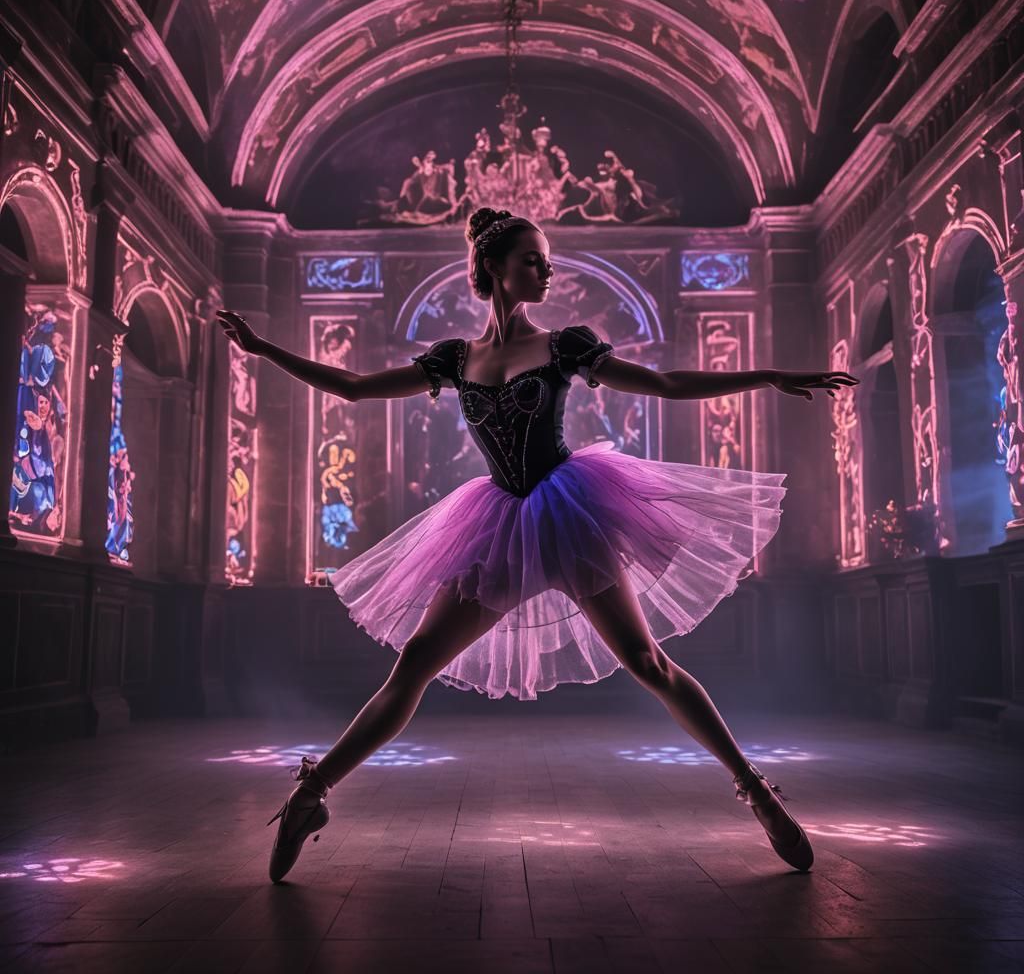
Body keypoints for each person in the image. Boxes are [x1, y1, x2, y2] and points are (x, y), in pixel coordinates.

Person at [216, 208, 858, 883]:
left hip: (571, 511)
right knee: (416, 660)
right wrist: (264, 352)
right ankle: (311, 792)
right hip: (496, 522)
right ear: (495, 268)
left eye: (546, 261)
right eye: (533, 260)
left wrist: (765, 377)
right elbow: (351, 387)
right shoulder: (454, 359)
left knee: (646, 661)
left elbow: (663, 385)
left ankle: (755, 789)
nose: (546, 270)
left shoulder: (564, 346)